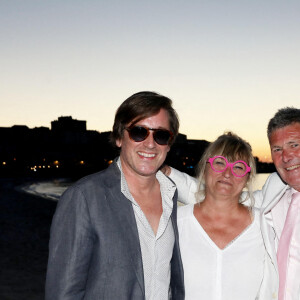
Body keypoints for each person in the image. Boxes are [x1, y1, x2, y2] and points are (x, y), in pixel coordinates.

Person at [45, 91, 185, 300]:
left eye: (161, 135)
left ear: (169, 144)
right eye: (139, 132)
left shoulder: (171, 195)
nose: (150, 143)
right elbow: (63, 293)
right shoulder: (84, 197)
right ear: (119, 137)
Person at [169, 107, 300, 300]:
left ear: (247, 176)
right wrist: (164, 172)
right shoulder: (275, 191)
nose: (287, 156)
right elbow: (221, 196)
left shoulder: (260, 223)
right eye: (277, 149)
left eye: (295, 144)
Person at [174, 132, 276, 299]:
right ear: (204, 168)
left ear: (248, 177)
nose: (227, 173)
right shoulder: (175, 223)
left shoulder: (266, 227)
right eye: (219, 163)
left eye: (238, 167)